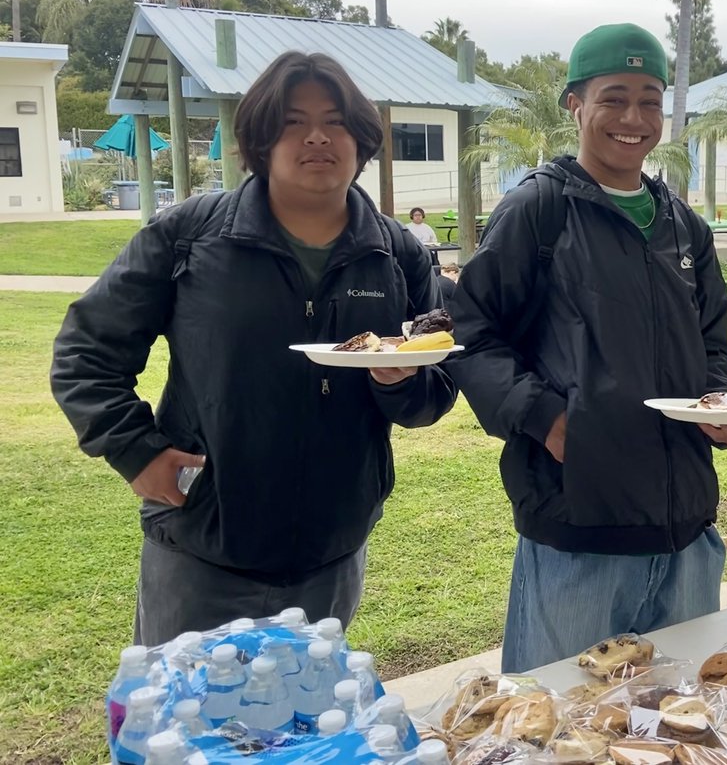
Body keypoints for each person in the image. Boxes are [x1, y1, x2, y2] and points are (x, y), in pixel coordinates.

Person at [51, 51, 457, 646]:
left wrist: (399, 381)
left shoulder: (396, 254)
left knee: (308, 725)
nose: (317, 136)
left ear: (363, 139)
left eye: (335, 120)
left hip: (332, 550)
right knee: (186, 725)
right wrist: (135, 450)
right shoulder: (192, 235)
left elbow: (434, 391)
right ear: (260, 140)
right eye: (292, 121)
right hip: (203, 543)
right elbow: (86, 349)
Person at [447, 23, 727, 672]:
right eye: (614, 98)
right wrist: (545, 418)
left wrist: (720, 397)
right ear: (575, 105)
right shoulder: (539, 211)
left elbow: (712, 341)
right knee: (560, 724)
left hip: (687, 534)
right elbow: (471, 332)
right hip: (578, 536)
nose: (633, 118)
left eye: (649, 100)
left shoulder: (682, 225)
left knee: (675, 721)